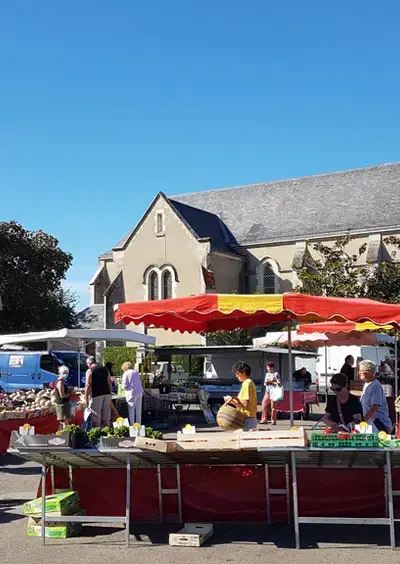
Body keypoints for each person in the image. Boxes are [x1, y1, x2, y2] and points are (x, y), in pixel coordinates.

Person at [359, 359, 392, 433]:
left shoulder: (376, 386)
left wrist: (362, 420)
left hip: (377, 425)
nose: (359, 373)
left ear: (369, 372)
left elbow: (374, 407)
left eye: (361, 370)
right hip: (369, 424)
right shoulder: (367, 384)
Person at [224, 361, 258, 431]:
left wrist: (230, 400)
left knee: (246, 440)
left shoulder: (247, 383)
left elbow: (244, 403)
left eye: (237, 373)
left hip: (247, 418)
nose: (236, 376)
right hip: (249, 417)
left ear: (244, 372)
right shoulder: (249, 382)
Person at [85, 356, 112, 428]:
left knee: (96, 417)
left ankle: (98, 435)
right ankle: (107, 433)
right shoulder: (105, 369)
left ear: (89, 363)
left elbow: (87, 385)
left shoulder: (90, 370)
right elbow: (109, 382)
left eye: (87, 364)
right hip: (107, 393)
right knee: (106, 417)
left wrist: (86, 398)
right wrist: (110, 393)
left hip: (96, 394)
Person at [53, 365, 72, 430]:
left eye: (67, 373)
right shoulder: (60, 382)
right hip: (62, 404)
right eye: (64, 373)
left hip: (63, 403)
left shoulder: (62, 381)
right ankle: (66, 435)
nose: (65, 375)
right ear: (60, 373)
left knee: (62, 422)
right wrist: (70, 394)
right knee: (65, 422)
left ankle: (60, 434)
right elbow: (62, 395)